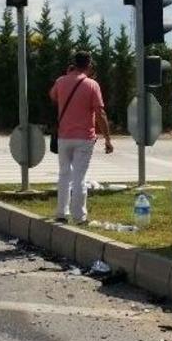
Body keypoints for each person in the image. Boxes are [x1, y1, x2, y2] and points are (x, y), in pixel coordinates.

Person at [49, 51, 113, 224]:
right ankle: (79, 216)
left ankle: (61, 213)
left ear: (73, 64)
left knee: (64, 175)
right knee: (79, 177)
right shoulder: (92, 85)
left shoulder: (61, 81)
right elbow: (100, 112)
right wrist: (107, 138)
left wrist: (68, 75)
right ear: (89, 65)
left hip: (63, 136)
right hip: (84, 137)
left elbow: (53, 96)